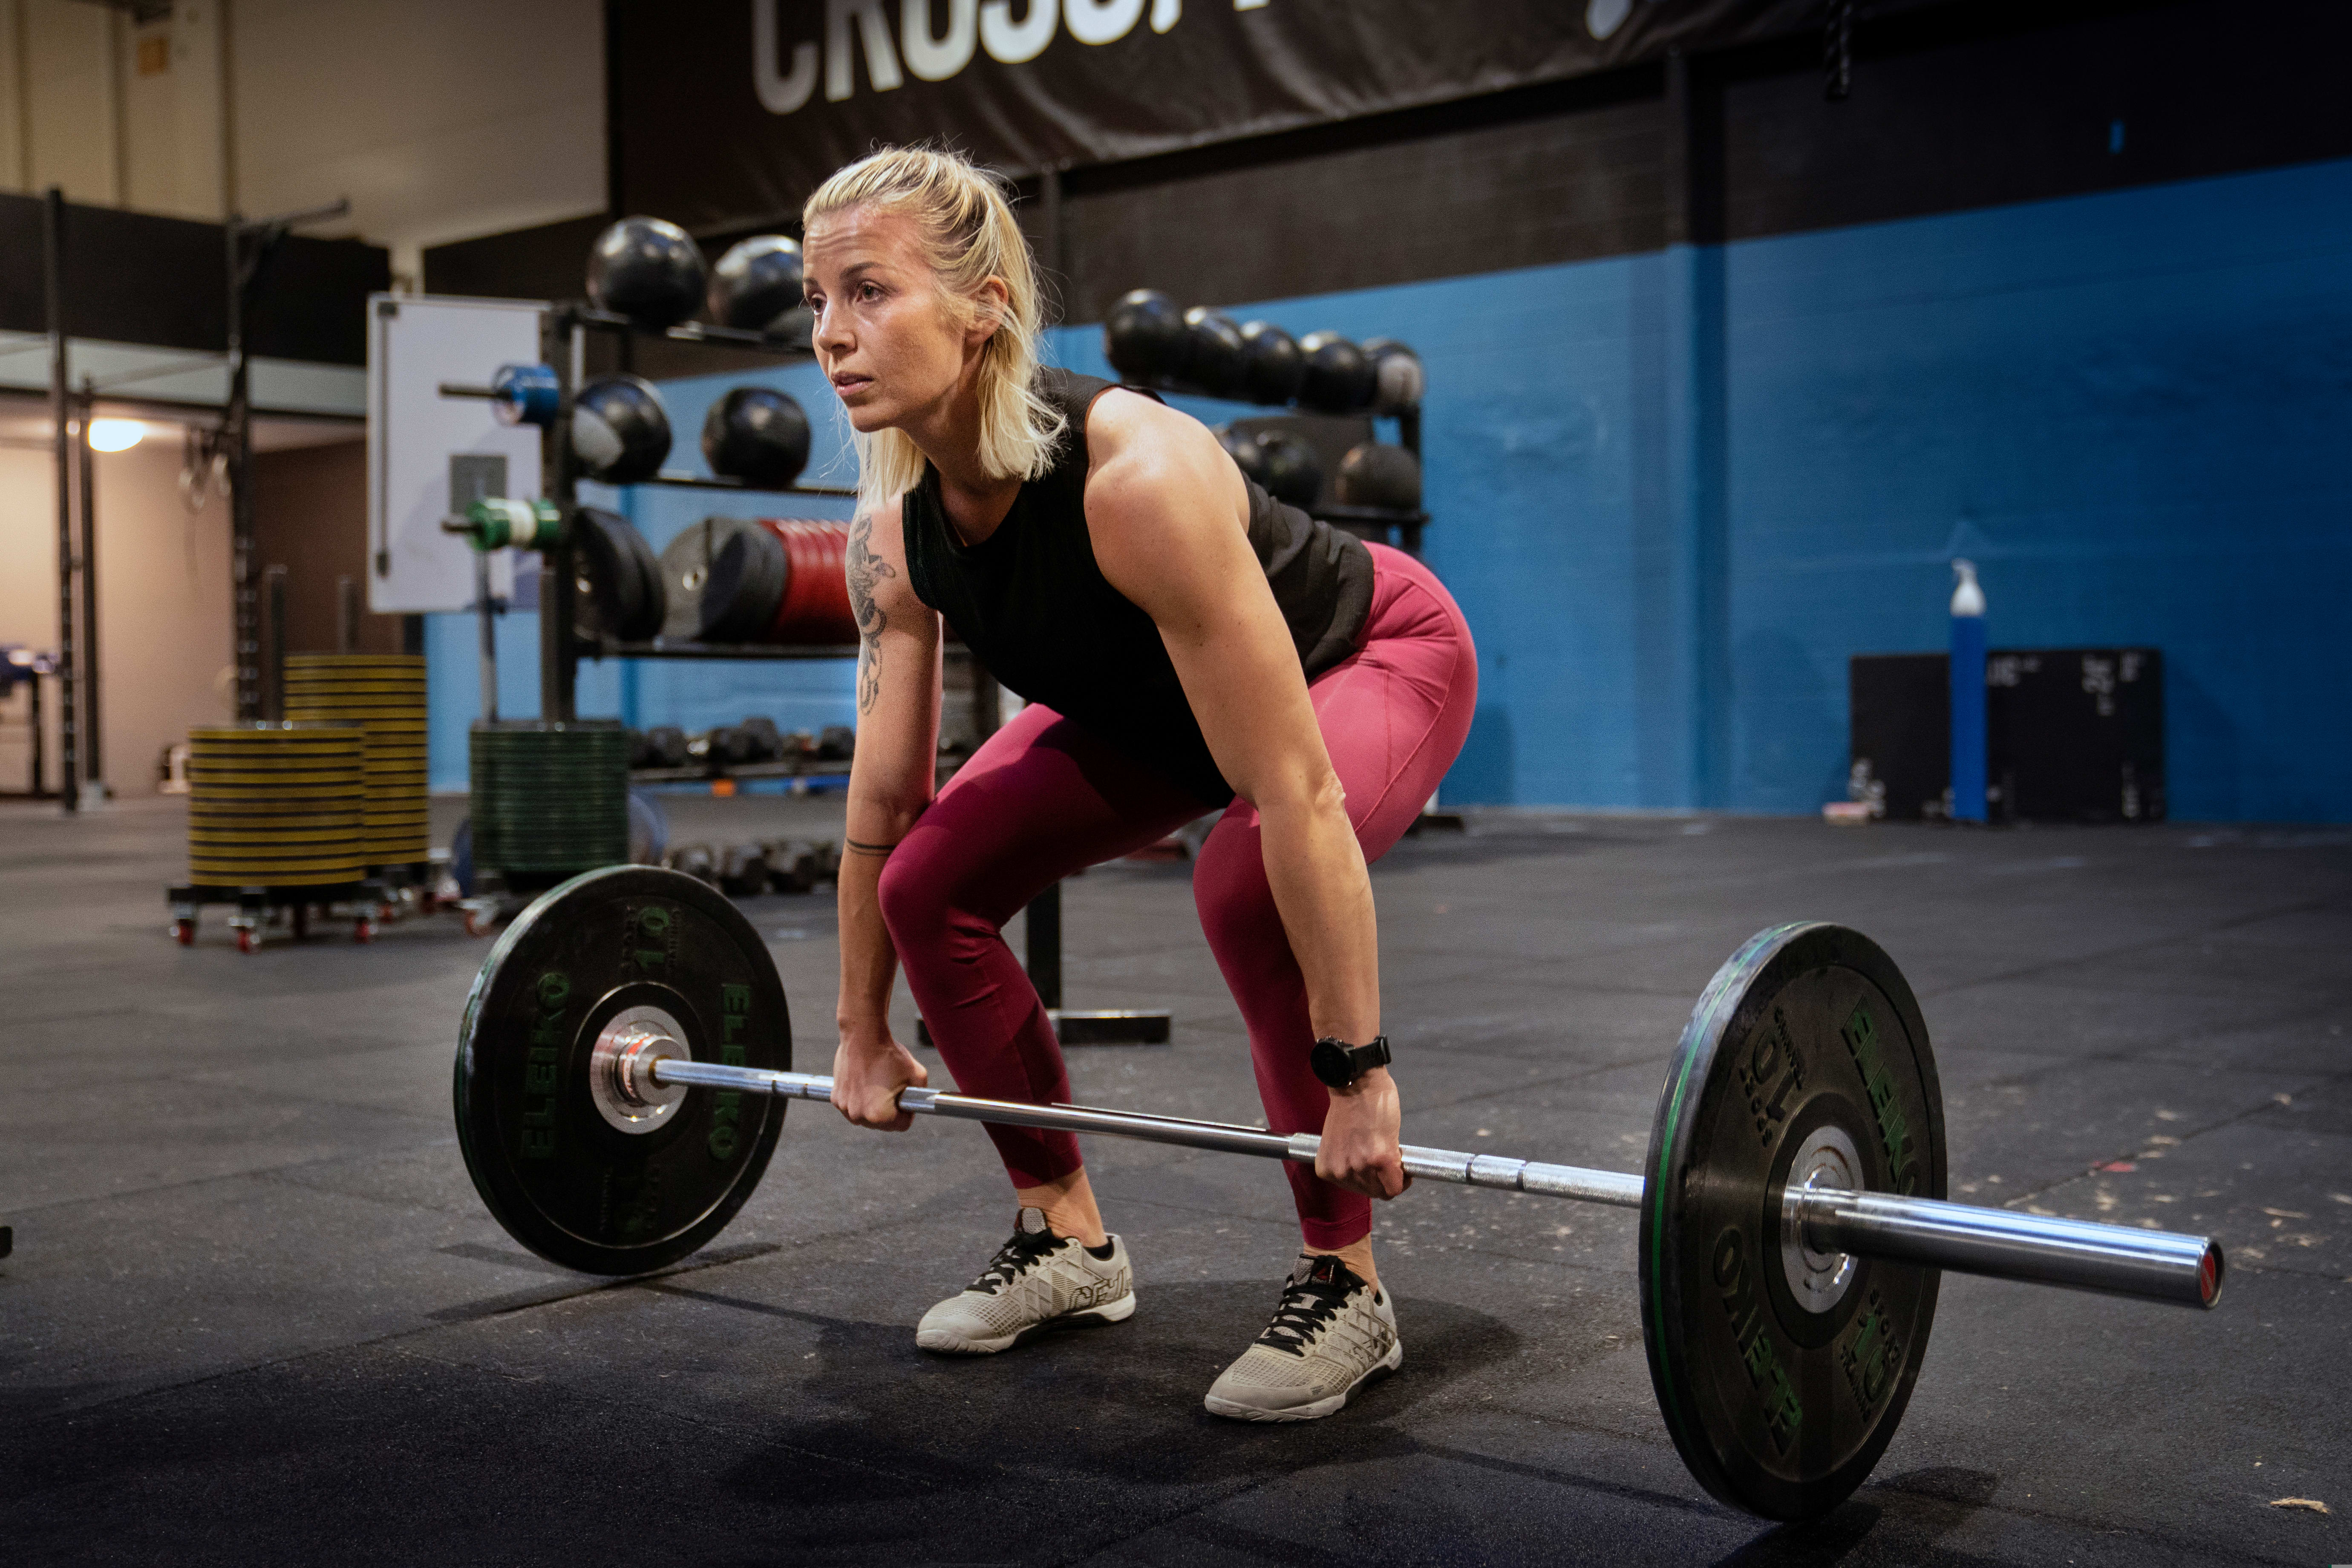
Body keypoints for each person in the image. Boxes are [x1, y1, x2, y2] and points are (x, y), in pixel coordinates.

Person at [808, 146, 1476, 1422]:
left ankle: (1346, 1282)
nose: (832, 335)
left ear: (984, 304)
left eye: (869, 292)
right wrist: (860, 1028)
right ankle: (1066, 1238)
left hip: (1369, 652)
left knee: (1243, 879)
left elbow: (1298, 793)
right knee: (930, 886)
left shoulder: (1134, 478)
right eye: (817, 300)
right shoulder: (893, 535)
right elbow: (885, 809)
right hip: (1156, 707)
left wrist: (1361, 1078)